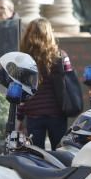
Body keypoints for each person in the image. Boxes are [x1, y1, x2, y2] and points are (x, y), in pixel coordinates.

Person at [19, 18, 74, 149]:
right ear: (49, 34)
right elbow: (69, 82)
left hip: (33, 114)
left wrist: (19, 117)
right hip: (57, 113)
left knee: (36, 155)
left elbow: (21, 89)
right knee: (61, 153)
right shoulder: (61, 56)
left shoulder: (24, 59)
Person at [0, 0, 20, 66]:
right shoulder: (0, 26)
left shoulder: (17, 26)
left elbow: (11, 50)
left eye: (2, 8)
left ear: (11, 10)